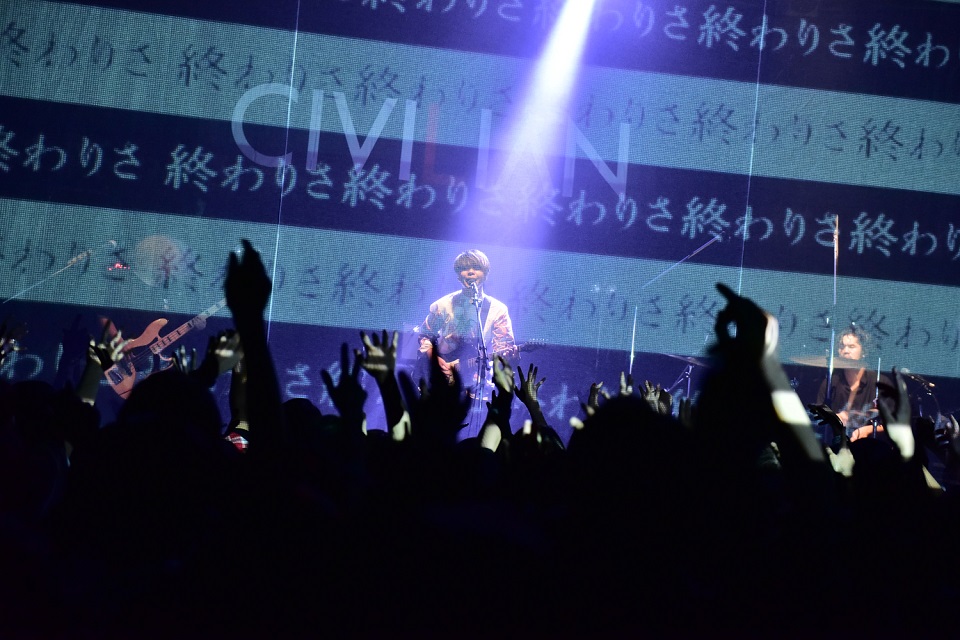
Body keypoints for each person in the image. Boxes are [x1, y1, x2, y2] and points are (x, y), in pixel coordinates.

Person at [416, 250, 517, 397]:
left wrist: (508, 355)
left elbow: (503, 347)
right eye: (464, 268)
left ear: (486, 274)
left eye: (476, 268)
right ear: (458, 275)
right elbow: (425, 334)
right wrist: (435, 359)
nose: (470, 272)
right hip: (440, 375)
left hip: (474, 380)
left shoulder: (498, 310)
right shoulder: (443, 304)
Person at [815, 324, 890, 441]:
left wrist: (868, 430)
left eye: (851, 346)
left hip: (870, 445)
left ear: (864, 351)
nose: (845, 351)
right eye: (842, 347)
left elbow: (897, 423)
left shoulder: (880, 382)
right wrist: (833, 418)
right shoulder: (830, 383)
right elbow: (817, 418)